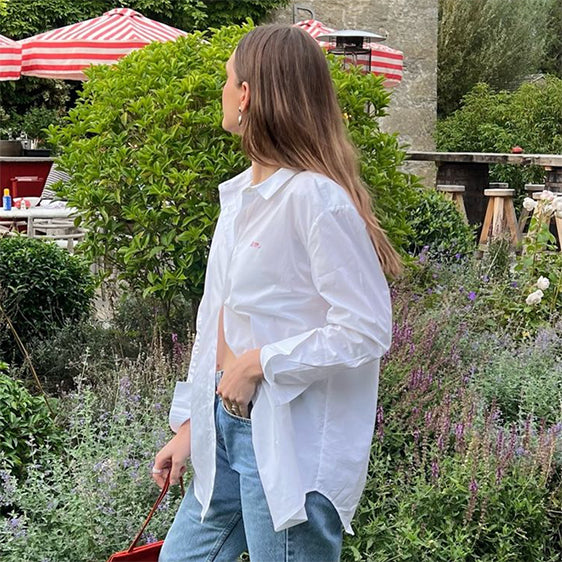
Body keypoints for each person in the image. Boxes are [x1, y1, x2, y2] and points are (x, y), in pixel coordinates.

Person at [153, 24, 401, 562]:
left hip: (289, 441)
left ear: (245, 94)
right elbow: (219, 318)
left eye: (227, 80)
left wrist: (259, 363)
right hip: (226, 424)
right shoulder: (242, 196)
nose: (222, 91)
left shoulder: (315, 199)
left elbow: (365, 329)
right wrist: (193, 424)